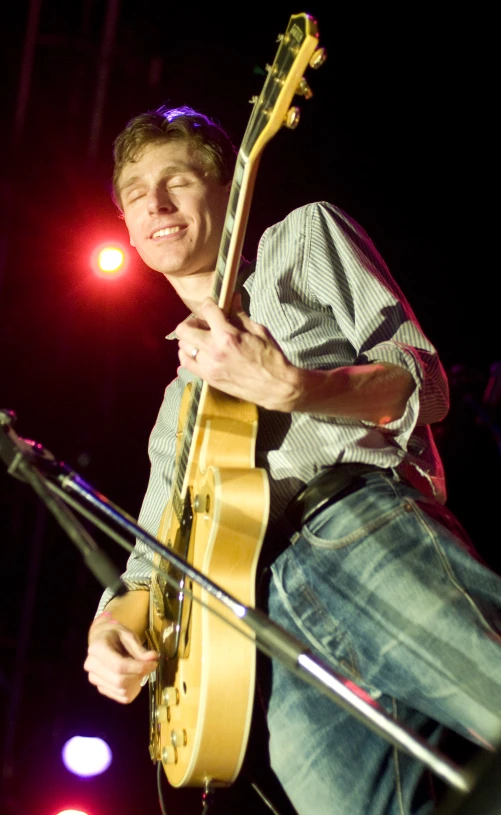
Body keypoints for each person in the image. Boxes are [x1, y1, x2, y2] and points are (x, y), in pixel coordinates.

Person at [84, 105, 501, 815]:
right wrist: (108, 633)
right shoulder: (170, 412)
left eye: (176, 180)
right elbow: (147, 572)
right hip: (257, 635)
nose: (153, 203)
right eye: (134, 193)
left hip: (352, 527)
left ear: (229, 190)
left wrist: (294, 388)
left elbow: (419, 381)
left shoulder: (300, 239)